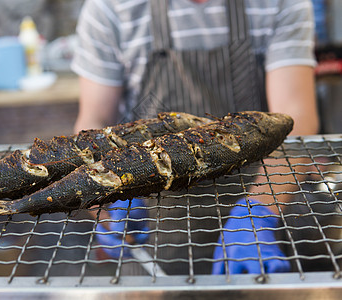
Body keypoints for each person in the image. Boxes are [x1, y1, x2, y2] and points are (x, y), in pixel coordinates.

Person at [71, 0, 320, 275]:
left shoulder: (279, 4)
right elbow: (94, 122)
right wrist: (110, 193)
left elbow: (296, 121)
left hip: (259, 199)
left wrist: (259, 212)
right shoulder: (111, 8)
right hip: (153, 213)